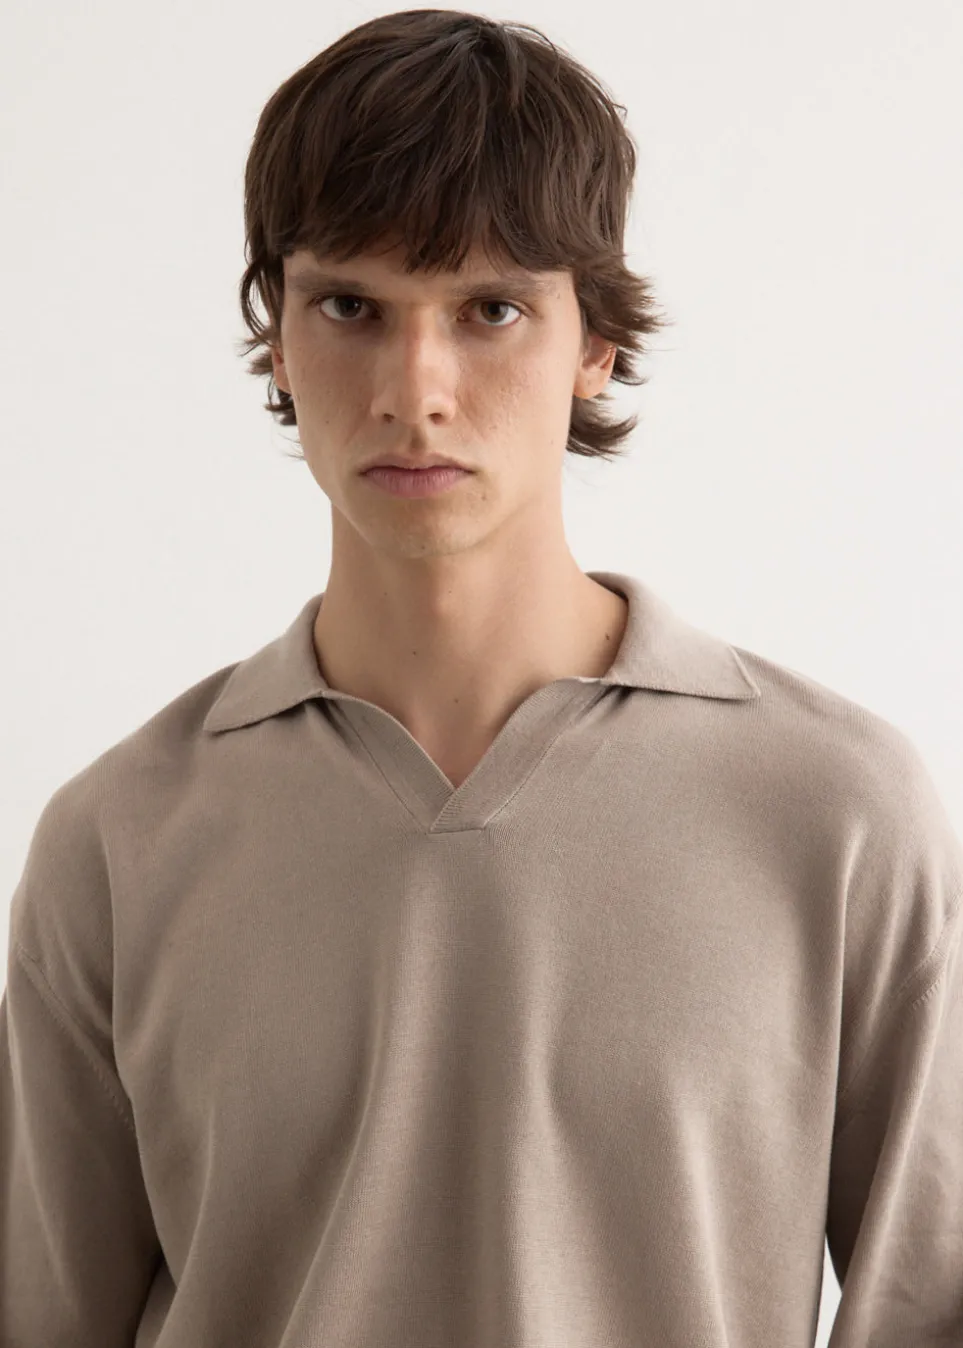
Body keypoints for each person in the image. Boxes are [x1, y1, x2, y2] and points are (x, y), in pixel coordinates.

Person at [3, 11, 961, 1348]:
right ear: (276, 336)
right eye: (351, 307)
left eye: (490, 310)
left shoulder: (838, 811)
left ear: (595, 342)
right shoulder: (120, 840)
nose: (417, 389)